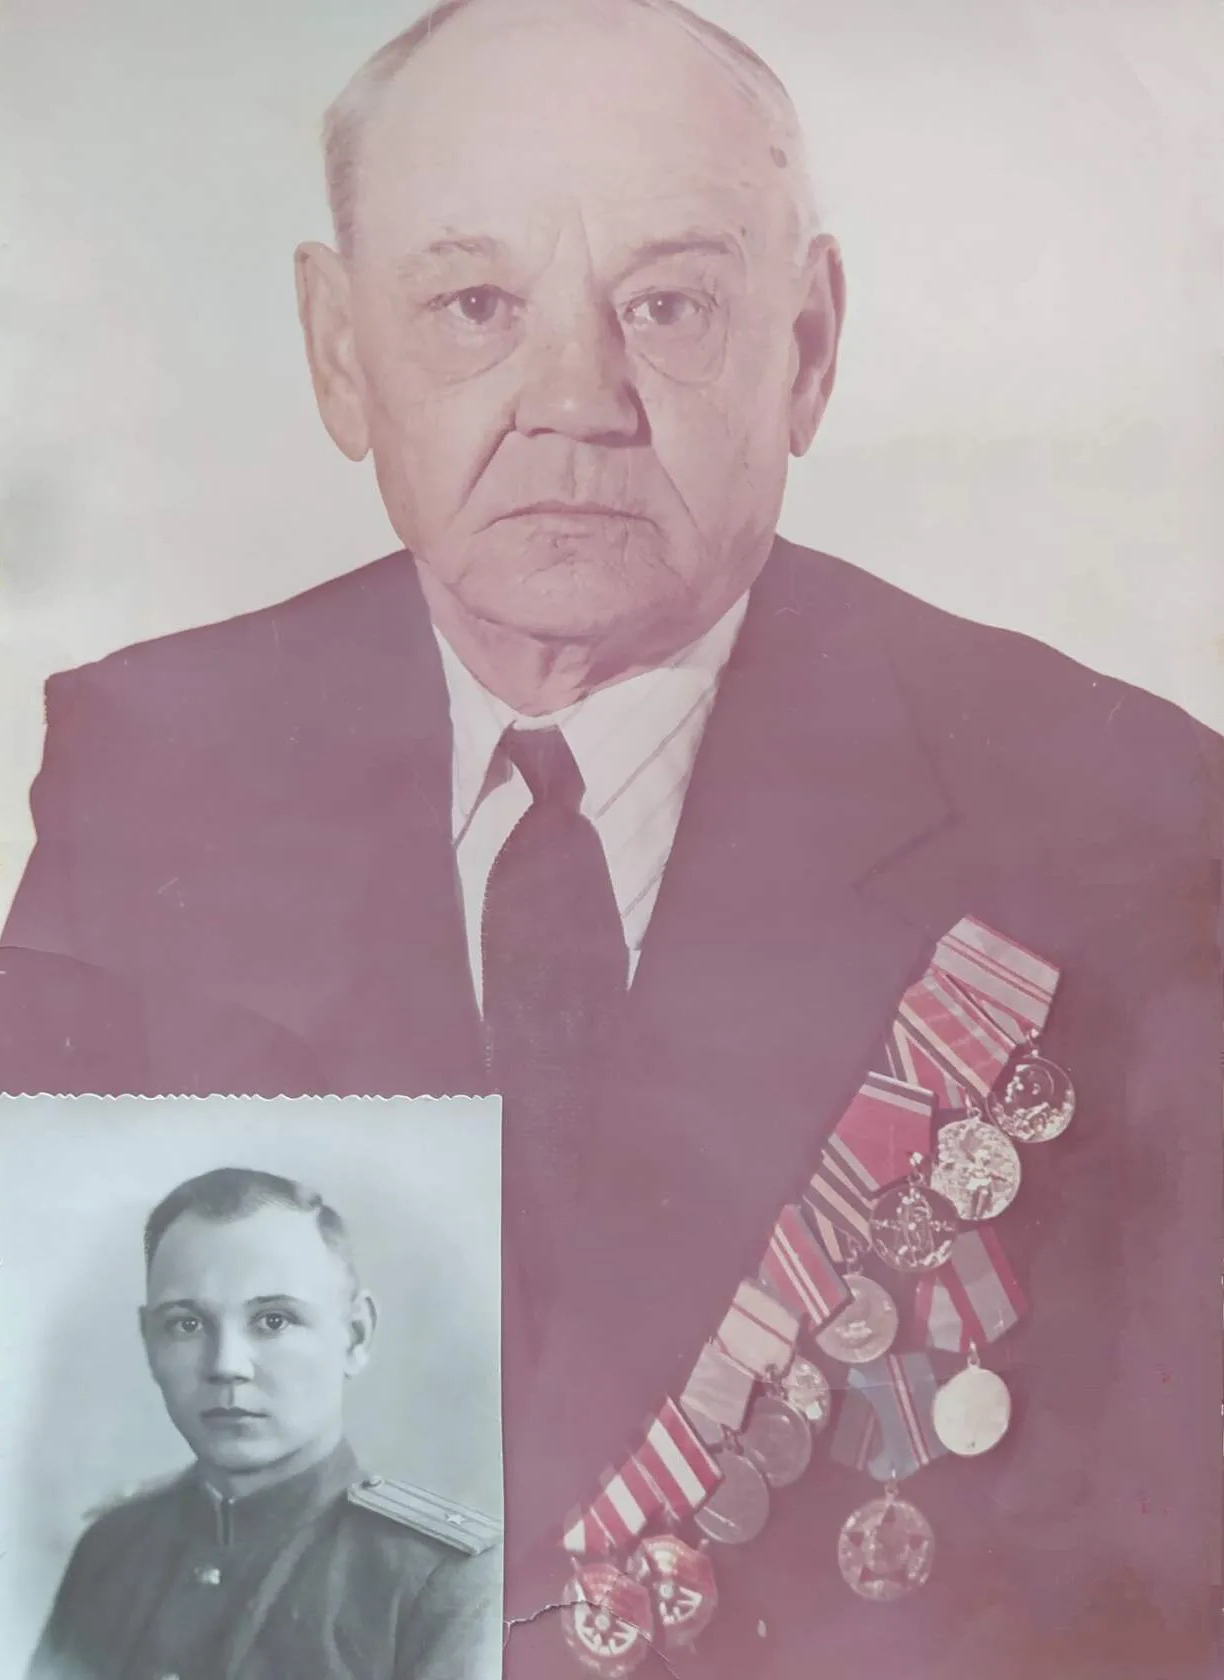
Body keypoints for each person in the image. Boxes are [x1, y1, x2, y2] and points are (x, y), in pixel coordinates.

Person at [2, 1, 1219, 1675]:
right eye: (474, 306)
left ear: (806, 346)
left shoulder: (1121, 815)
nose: (574, 399)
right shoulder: (158, 765)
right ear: (340, 352)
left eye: (668, 304)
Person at [26, 1168, 501, 1680]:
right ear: (148, 1341)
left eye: (274, 1320)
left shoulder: (443, 1580)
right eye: (186, 1324)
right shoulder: (110, 1550)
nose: (226, 1365)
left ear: (355, 1335)